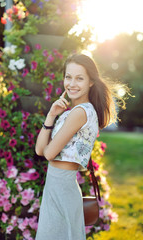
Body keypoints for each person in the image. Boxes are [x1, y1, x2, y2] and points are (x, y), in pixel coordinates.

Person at [35, 54, 127, 240]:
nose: (72, 84)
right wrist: (51, 115)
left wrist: (49, 143)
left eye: (79, 78)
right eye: (68, 77)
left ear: (91, 82)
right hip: (57, 187)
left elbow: (49, 152)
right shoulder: (72, 112)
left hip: (62, 188)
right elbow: (39, 150)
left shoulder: (80, 112)